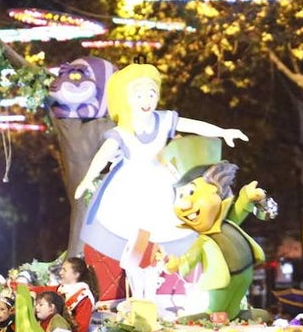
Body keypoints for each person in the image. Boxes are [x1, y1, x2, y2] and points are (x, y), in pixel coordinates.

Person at [73, 63, 247, 299]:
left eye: (152, 93)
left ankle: (159, 292)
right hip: (131, 189)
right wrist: (87, 180)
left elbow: (192, 125)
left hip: (161, 187)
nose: (147, 100)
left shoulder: (163, 120)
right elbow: (104, 154)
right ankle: (139, 296)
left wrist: (223, 132)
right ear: (126, 98)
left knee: (164, 241)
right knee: (137, 243)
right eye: (139, 95)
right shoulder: (123, 132)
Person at [58, 257, 97, 332]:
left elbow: (80, 331)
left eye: (64, 270)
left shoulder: (84, 297)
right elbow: (41, 289)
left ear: (76, 274)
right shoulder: (62, 289)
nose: (60, 272)